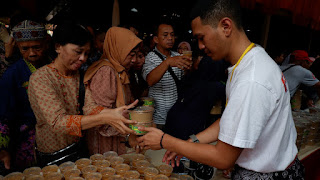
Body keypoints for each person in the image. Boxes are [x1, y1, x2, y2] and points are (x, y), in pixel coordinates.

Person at [137, 0, 304, 179]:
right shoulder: (251, 60)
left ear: (226, 26)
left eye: (202, 37)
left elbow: (223, 158)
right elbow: (230, 120)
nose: (200, 46)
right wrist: (193, 141)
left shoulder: (252, 79)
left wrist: (165, 141)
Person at [28, 23, 137, 167]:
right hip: (52, 155)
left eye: (86, 53)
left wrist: (112, 113)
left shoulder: (79, 76)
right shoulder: (41, 78)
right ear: (58, 47)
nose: (83, 58)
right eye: (78, 52)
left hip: (77, 151)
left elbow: (90, 107)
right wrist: (104, 117)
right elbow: (57, 122)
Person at [0, 20, 50, 172]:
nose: (32, 53)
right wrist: (3, 148)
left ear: (45, 44)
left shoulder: (53, 67)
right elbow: (3, 115)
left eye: (37, 47)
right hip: (24, 141)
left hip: (53, 137)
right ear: (18, 47)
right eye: (25, 49)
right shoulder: (12, 74)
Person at [83, 27, 142, 155]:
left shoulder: (119, 69)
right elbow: (100, 115)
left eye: (136, 55)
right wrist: (128, 134)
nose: (134, 60)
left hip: (117, 133)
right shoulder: (106, 72)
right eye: (131, 54)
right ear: (118, 49)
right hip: (106, 140)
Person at [142, 22, 193, 129]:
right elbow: (150, 80)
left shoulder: (177, 56)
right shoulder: (150, 57)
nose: (170, 38)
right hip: (158, 118)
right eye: (165, 35)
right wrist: (167, 62)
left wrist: (188, 68)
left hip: (176, 115)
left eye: (172, 35)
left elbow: (183, 80)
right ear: (156, 39)